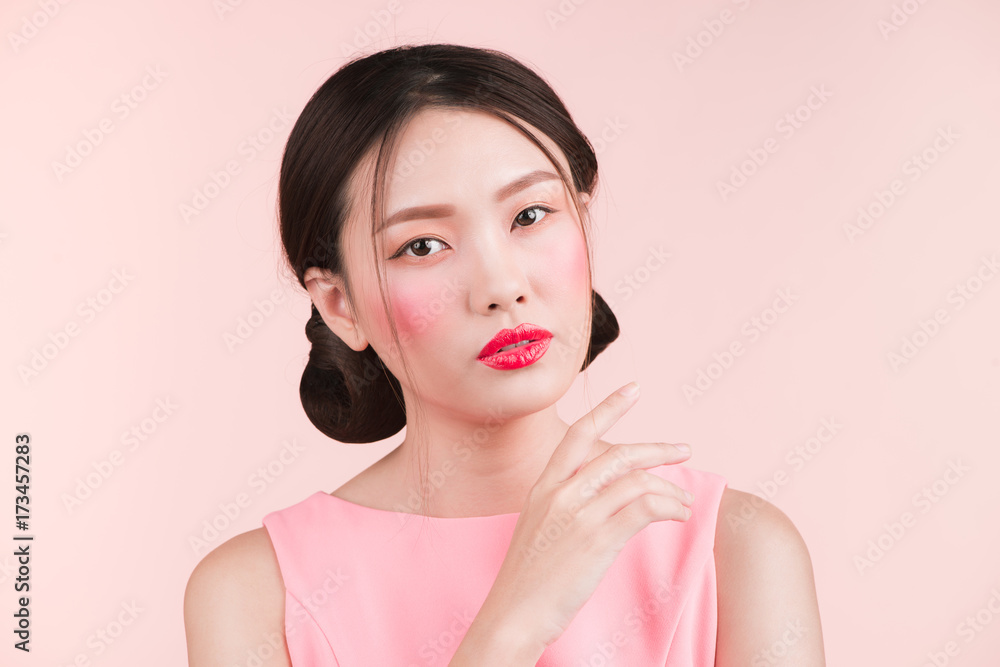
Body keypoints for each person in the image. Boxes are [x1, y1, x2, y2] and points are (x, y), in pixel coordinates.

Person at [184, 43, 826, 666]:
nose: (501, 286)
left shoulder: (733, 551)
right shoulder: (256, 594)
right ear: (339, 305)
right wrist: (513, 625)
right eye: (423, 246)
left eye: (530, 215)